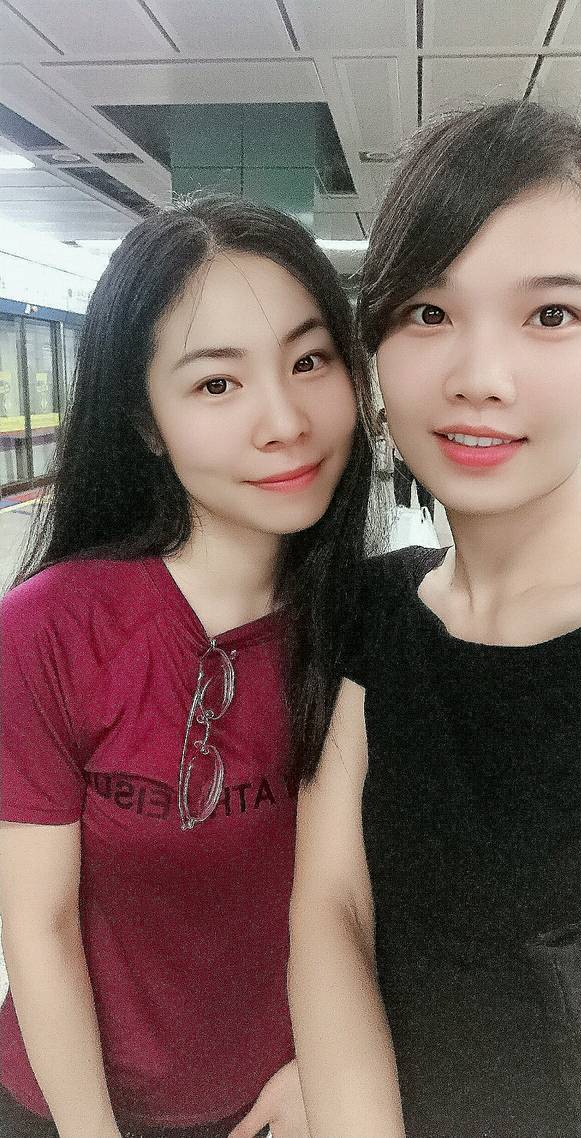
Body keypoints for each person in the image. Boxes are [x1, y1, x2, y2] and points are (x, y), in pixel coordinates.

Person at [288, 100, 581, 1138]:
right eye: (428, 312)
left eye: (551, 315)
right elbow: (333, 908)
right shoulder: (372, 611)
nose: (479, 379)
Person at [0, 195, 375, 1138]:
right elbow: (38, 927)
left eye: (309, 361)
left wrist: (323, 1065)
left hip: (289, 1103)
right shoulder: (50, 632)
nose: (283, 421)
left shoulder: (375, 628)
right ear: (145, 419)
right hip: (68, 1106)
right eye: (217, 384)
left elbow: (377, 903)